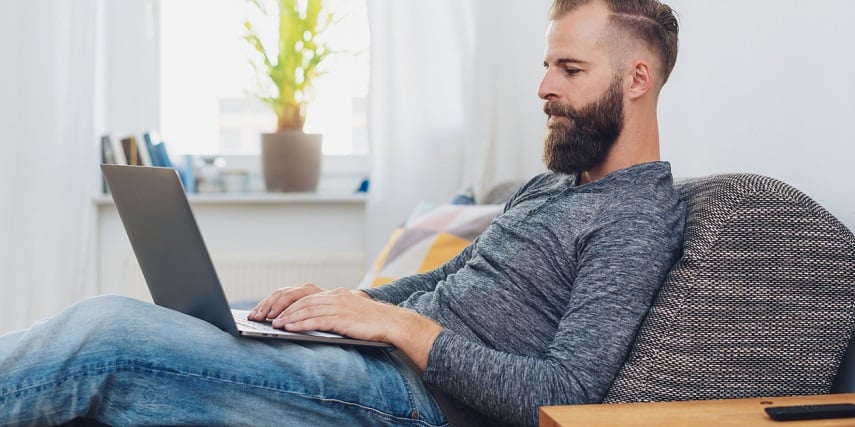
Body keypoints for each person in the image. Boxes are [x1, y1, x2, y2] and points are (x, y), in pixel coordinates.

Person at [0, 0, 684, 426]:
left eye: (568, 68)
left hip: (415, 403)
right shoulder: (556, 185)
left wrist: (395, 326)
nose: (542, 86)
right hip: (378, 363)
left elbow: (564, 393)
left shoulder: (634, 218)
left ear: (635, 80)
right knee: (158, 317)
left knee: (109, 334)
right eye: (545, 65)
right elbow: (440, 286)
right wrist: (341, 304)